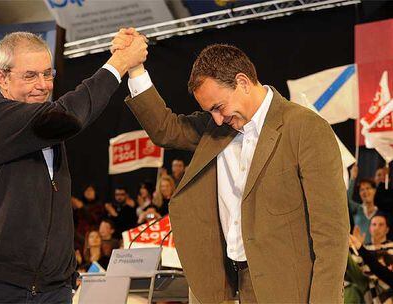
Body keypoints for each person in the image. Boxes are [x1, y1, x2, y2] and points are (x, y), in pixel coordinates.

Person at [114, 29, 350, 303]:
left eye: (219, 106)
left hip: (289, 291)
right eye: (210, 111)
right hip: (229, 289)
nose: (215, 119)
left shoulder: (305, 127)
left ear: (243, 82)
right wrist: (135, 68)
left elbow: (331, 235)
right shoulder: (216, 129)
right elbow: (165, 130)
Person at [0, 30, 147, 303]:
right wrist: (119, 62)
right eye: (30, 75)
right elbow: (67, 115)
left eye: (48, 74)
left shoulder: (46, 128)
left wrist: (65, 270)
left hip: (53, 290)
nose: (42, 85)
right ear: (2, 78)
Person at [348, 165, 379, 244]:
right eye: (362, 190)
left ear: (374, 191)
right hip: (358, 250)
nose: (365, 192)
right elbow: (346, 201)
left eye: (368, 188)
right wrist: (352, 178)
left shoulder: (380, 213)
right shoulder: (357, 208)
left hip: (374, 250)